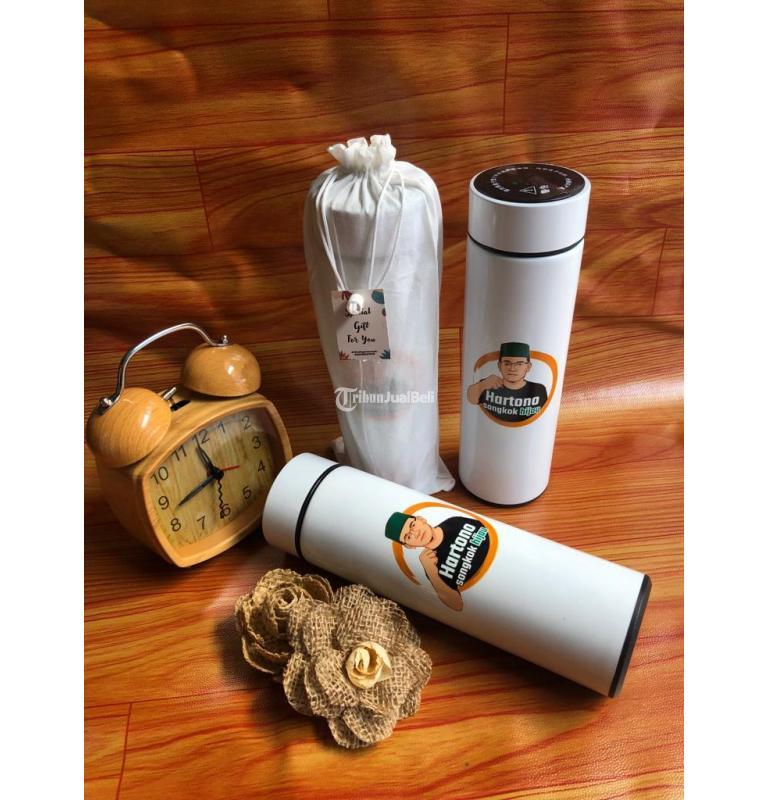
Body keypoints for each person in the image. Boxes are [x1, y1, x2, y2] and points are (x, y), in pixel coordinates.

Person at [384, 511, 491, 611]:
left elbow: (487, 530)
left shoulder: (454, 522)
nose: (415, 533)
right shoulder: (430, 565)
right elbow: (457, 605)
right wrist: (432, 572)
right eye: (408, 536)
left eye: (412, 525)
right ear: (409, 546)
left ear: (421, 519)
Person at [467, 342, 548, 422]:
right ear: (499, 366)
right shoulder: (488, 384)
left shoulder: (538, 389)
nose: (512, 368)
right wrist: (484, 384)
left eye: (519, 364)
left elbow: (543, 415)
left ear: (528, 367)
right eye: (507, 363)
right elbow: (471, 399)